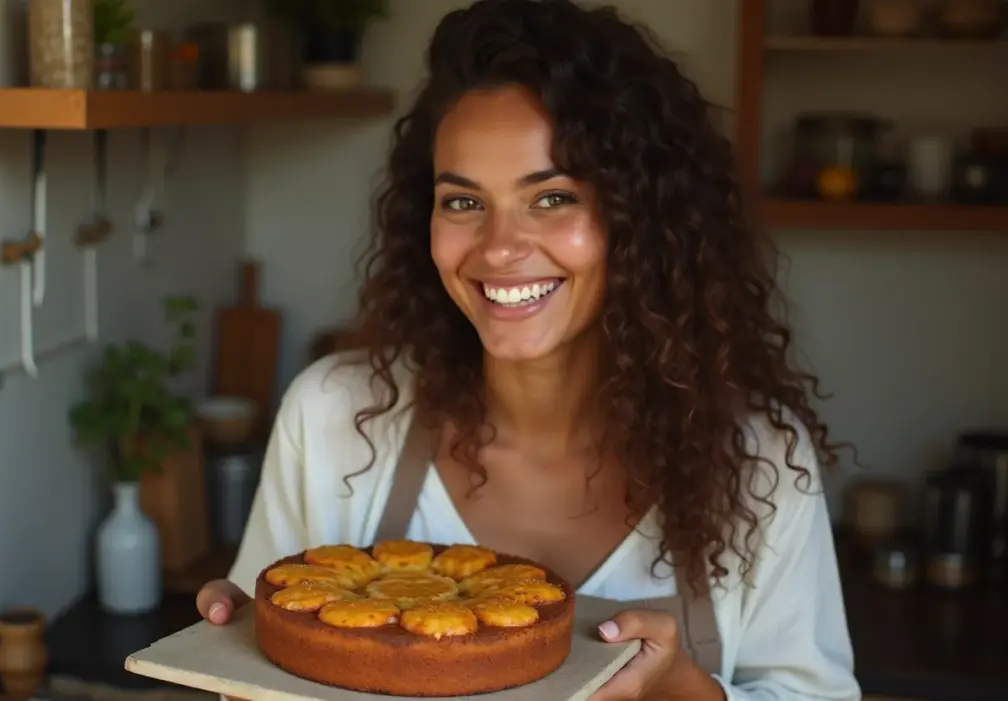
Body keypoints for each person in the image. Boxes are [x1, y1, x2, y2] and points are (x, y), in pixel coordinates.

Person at [196, 1, 860, 699]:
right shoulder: (333, 416)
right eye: (462, 202)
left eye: (551, 198)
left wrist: (682, 691)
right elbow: (260, 678)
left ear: (641, 222)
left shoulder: (757, 463)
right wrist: (233, 659)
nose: (500, 248)